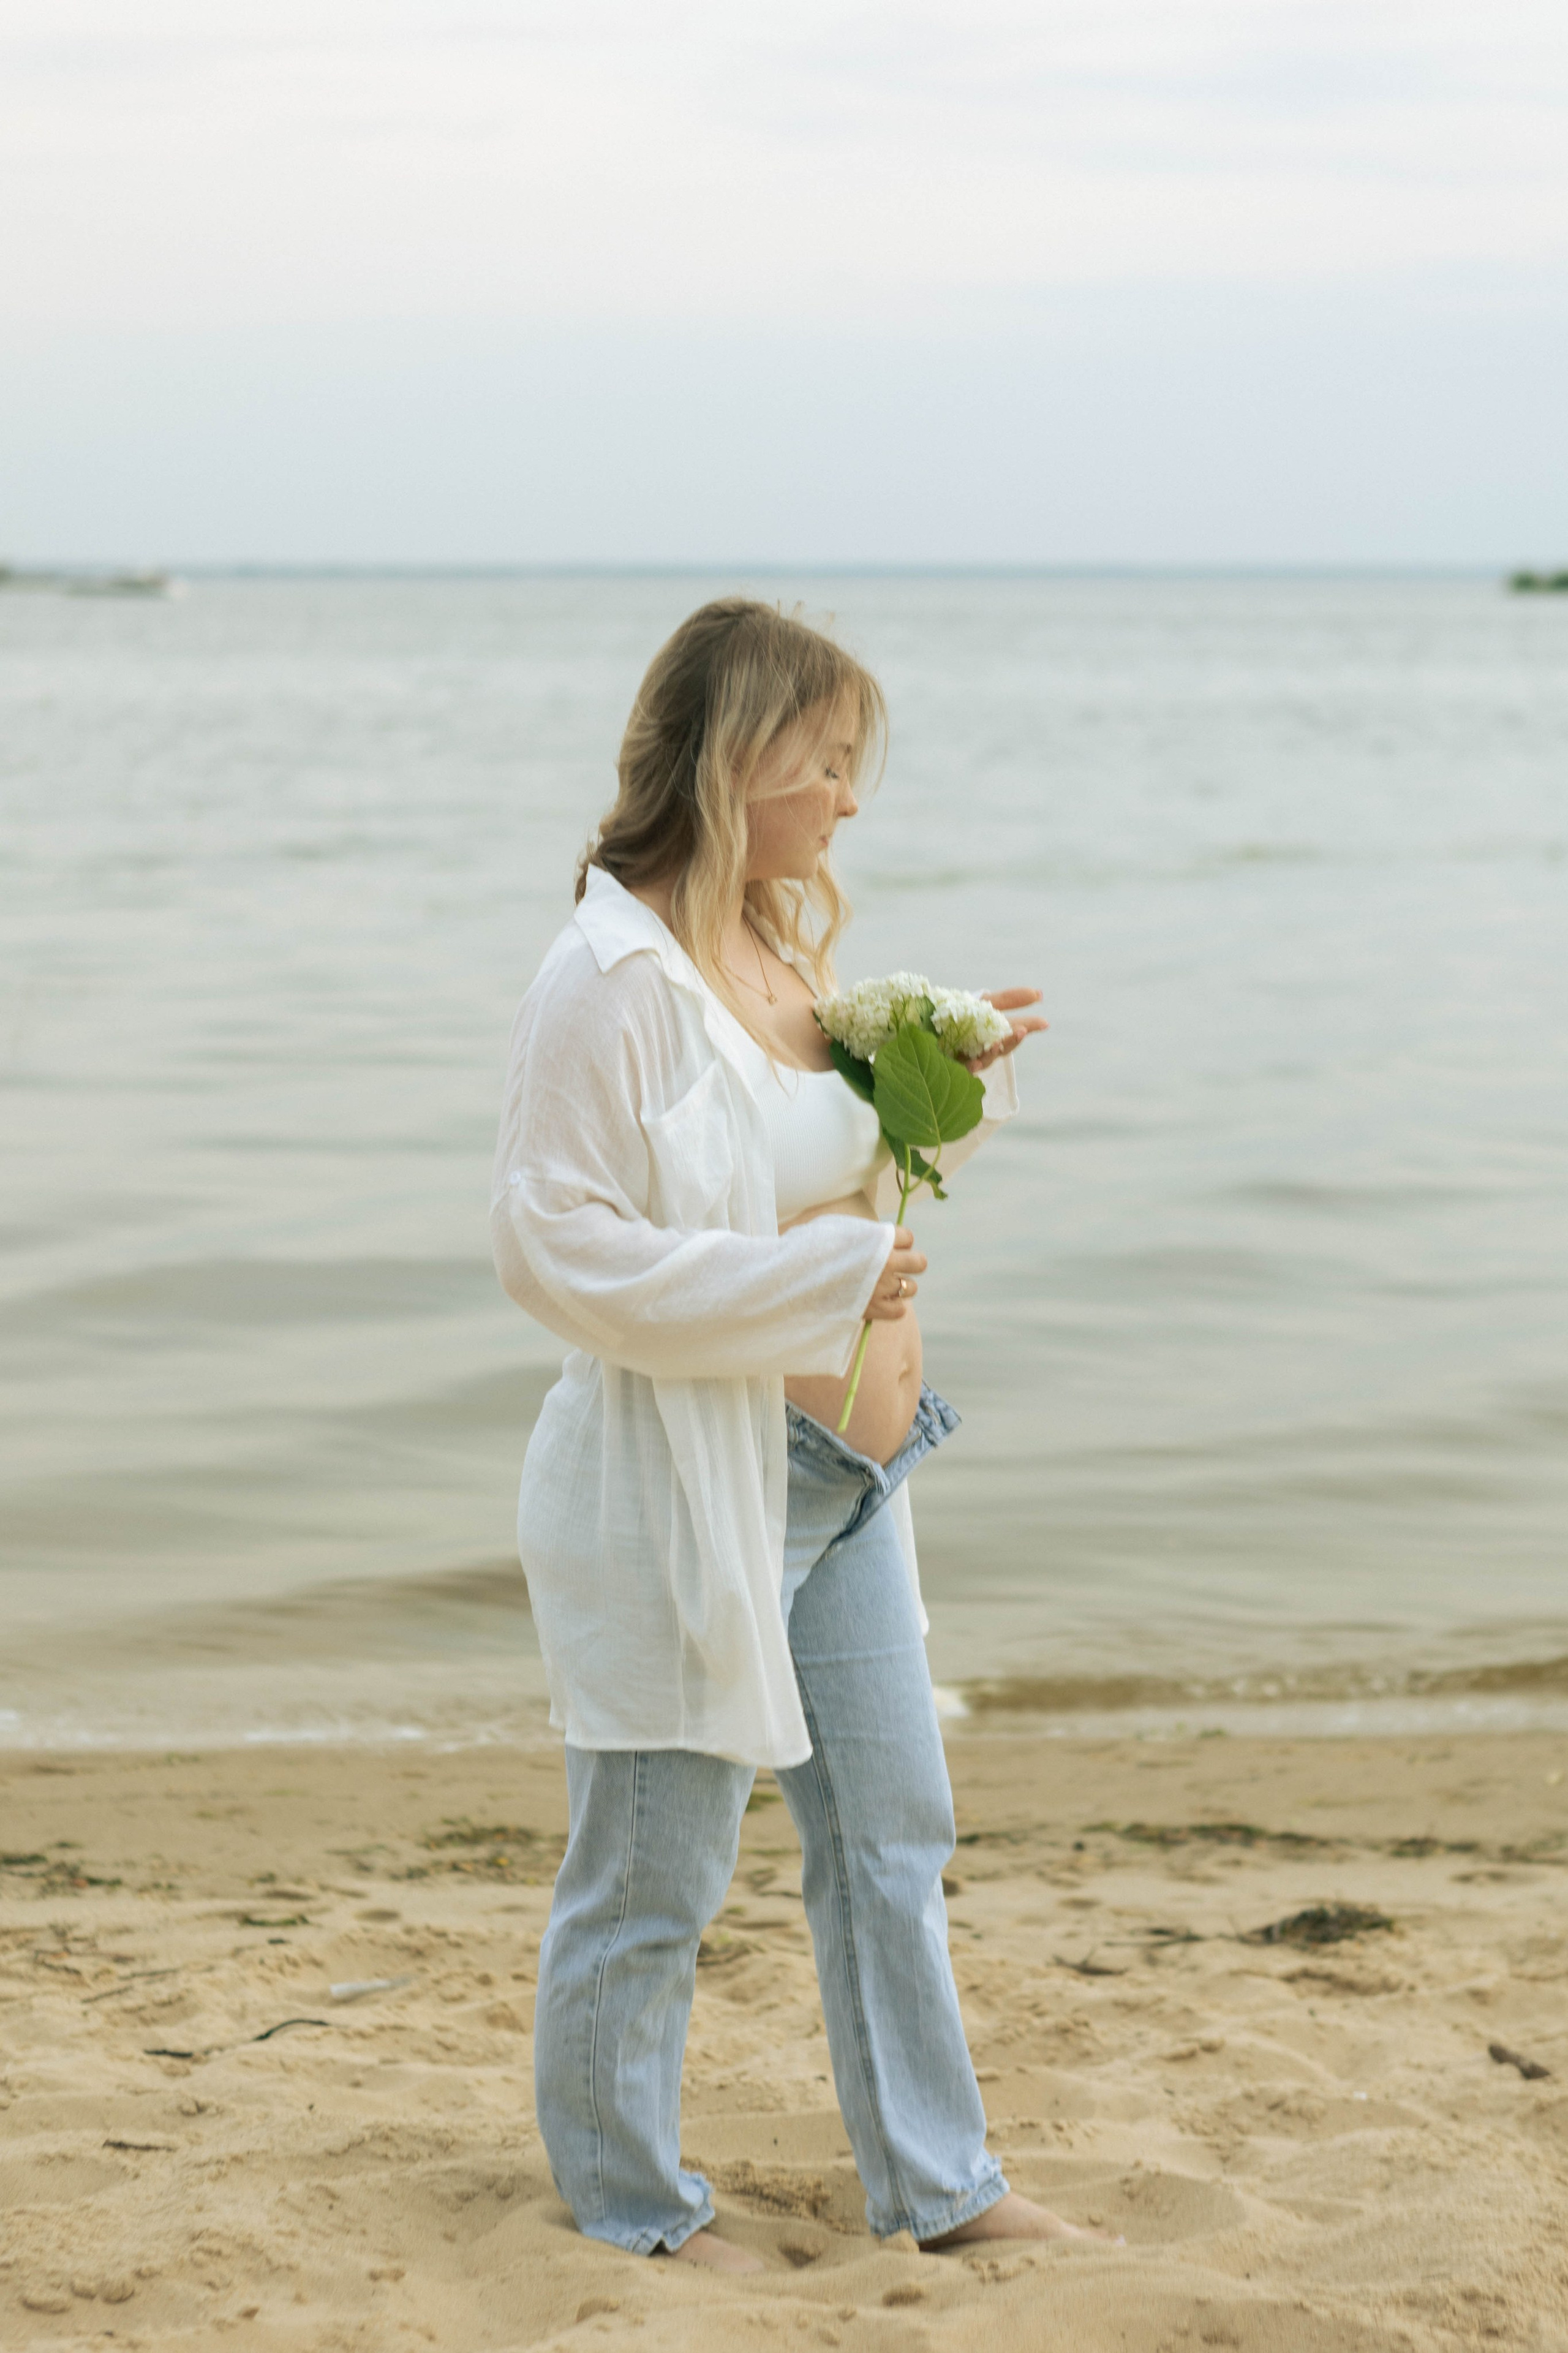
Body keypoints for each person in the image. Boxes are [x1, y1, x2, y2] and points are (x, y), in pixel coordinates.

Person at [491, 598, 1090, 2273]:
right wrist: (809, 1279)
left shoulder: (769, 939)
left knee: (892, 1834)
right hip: (699, 1492)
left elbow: (803, 1141)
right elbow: (552, 1246)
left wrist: (930, 1049)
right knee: (653, 1880)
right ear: (737, 757)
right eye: (823, 763)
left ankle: (942, 2181)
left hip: (855, 1480)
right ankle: (628, 2209)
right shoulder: (604, 978)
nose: (845, 800)